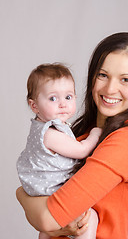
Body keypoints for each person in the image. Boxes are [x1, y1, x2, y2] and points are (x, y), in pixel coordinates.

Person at [16, 32, 128, 239]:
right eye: (103, 75)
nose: (110, 89)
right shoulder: (84, 130)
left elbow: (47, 218)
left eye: (125, 80)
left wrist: (20, 195)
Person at [16, 63, 101, 239]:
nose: (63, 104)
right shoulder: (49, 133)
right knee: (89, 218)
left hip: (44, 189)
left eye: (69, 97)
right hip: (50, 191)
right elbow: (82, 150)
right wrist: (96, 133)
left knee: (48, 231)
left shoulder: (44, 127)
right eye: (53, 99)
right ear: (34, 106)